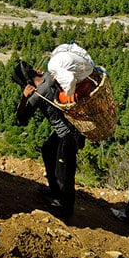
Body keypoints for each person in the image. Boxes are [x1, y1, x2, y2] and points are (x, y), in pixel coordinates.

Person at [12, 60, 85, 221]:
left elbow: (20, 120)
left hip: (68, 134)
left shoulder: (39, 92)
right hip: (73, 129)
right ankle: (54, 190)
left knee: (64, 172)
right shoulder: (49, 76)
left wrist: (24, 98)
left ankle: (65, 209)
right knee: (48, 150)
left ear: (25, 83)